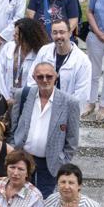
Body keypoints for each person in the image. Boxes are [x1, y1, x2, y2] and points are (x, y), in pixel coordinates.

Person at [9, 62, 80, 199]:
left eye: (49, 76)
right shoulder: (22, 95)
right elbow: (14, 126)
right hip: (23, 159)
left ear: (56, 77)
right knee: (18, 198)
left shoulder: (70, 102)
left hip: (49, 163)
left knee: (44, 201)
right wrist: (13, 150)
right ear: (34, 77)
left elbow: (72, 140)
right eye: (40, 77)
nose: (45, 80)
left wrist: (61, 161)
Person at [33, 18, 93, 105]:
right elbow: (32, 77)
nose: (58, 36)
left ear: (70, 33)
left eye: (62, 32)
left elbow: (82, 94)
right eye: (55, 33)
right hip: (42, 104)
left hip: (67, 109)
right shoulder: (44, 51)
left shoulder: (82, 61)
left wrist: (65, 112)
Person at [0, 18, 50, 102]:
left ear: (27, 36)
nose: (13, 36)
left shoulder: (40, 54)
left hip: (28, 101)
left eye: (17, 34)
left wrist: (21, 100)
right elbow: (0, 75)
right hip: (5, 99)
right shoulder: (8, 47)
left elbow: (36, 82)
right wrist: (6, 99)